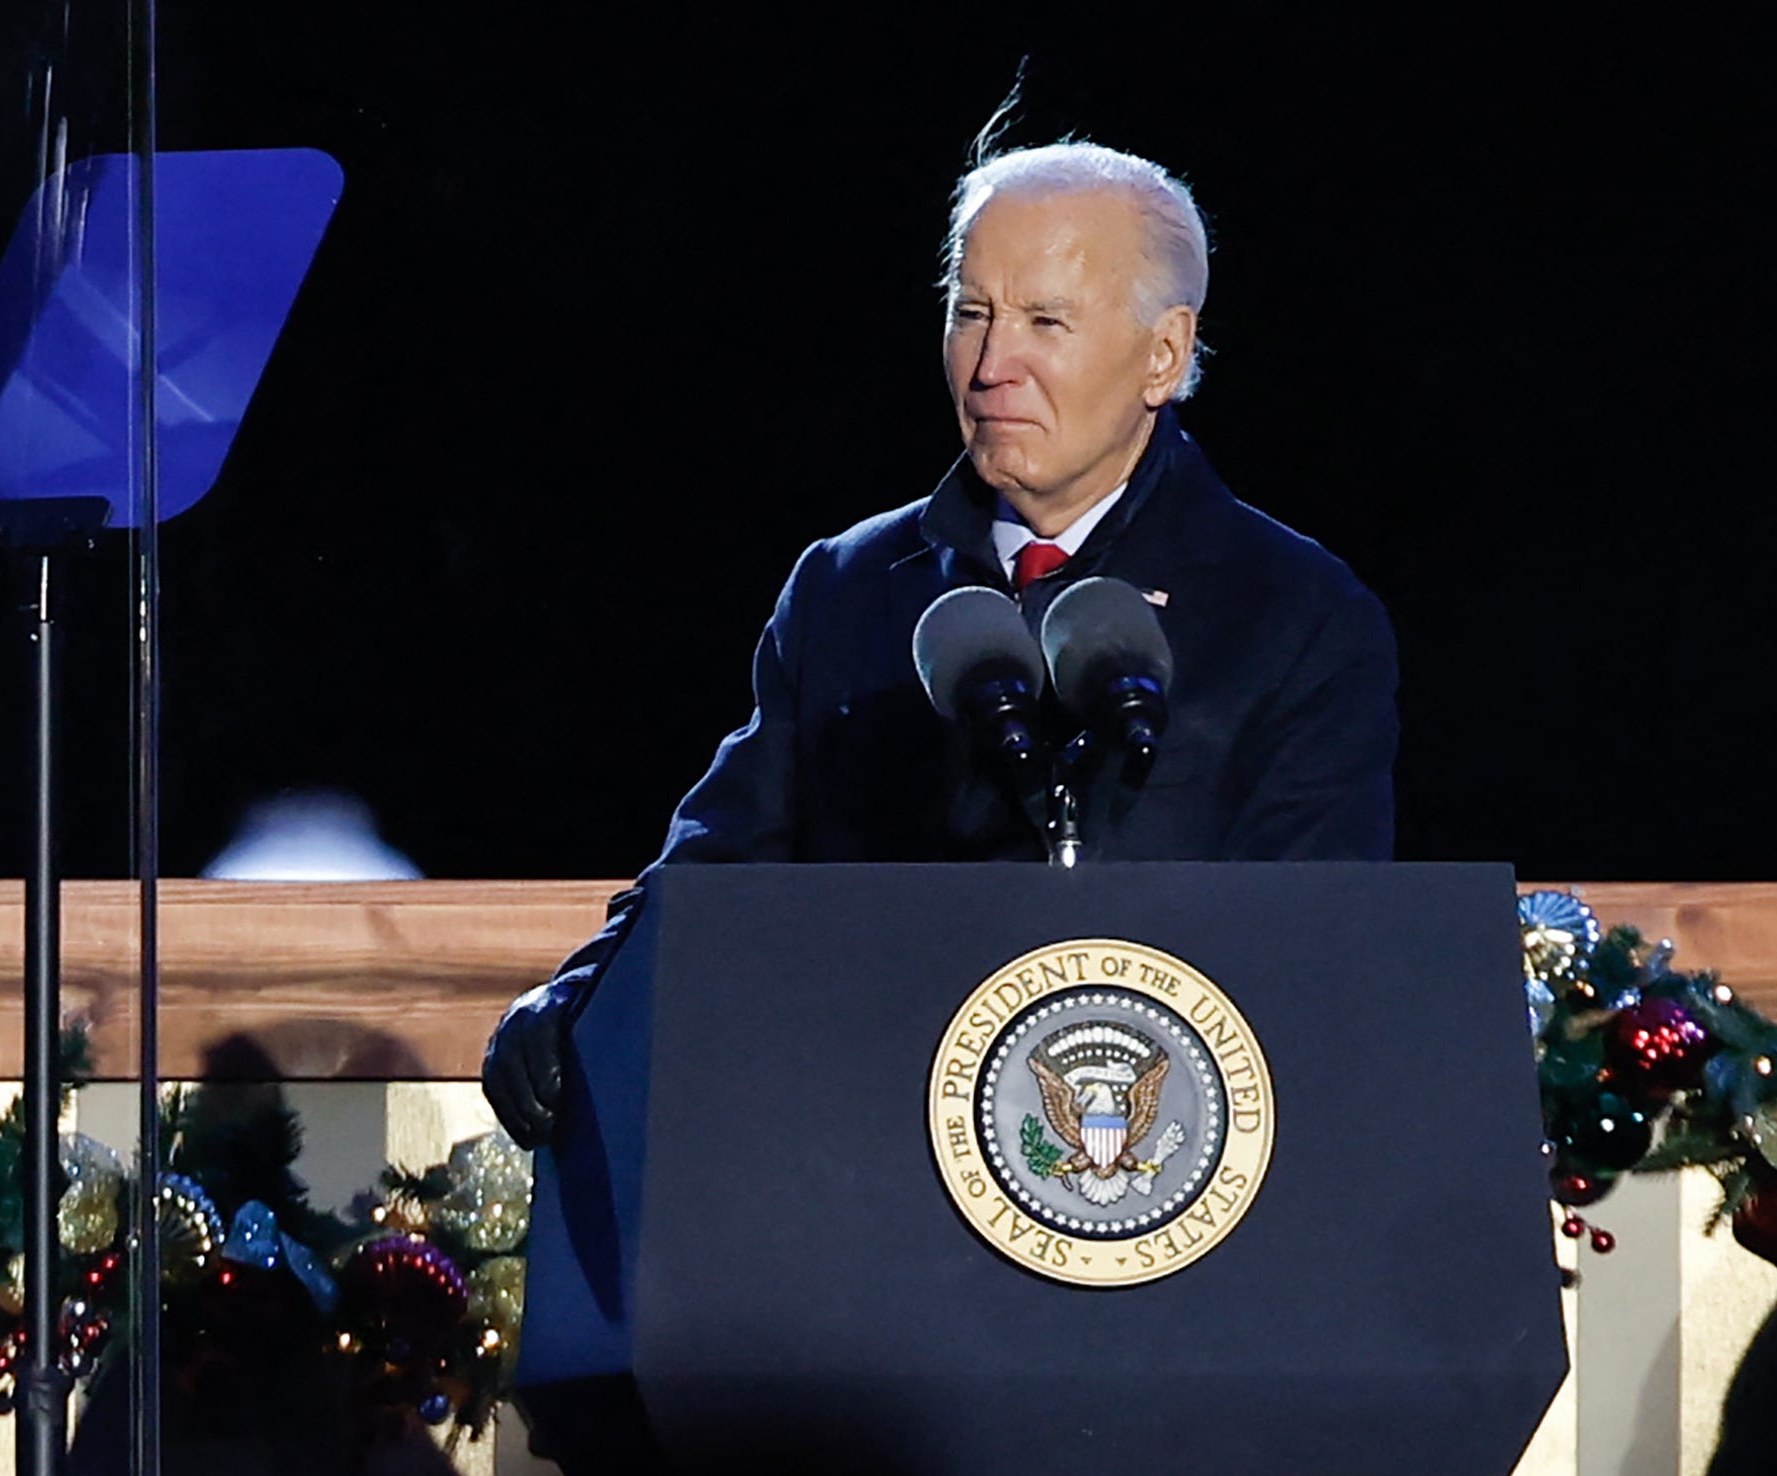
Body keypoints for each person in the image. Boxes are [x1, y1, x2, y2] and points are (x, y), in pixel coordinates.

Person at [485, 140, 1398, 1147]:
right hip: (860, 1157)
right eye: (973, 313)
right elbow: (718, 871)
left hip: (1154, 1178)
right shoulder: (844, 590)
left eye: (1045, 321)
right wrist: (580, 996)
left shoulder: (1298, 615)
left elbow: (1318, 960)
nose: (993, 365)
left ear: (1164, 355)